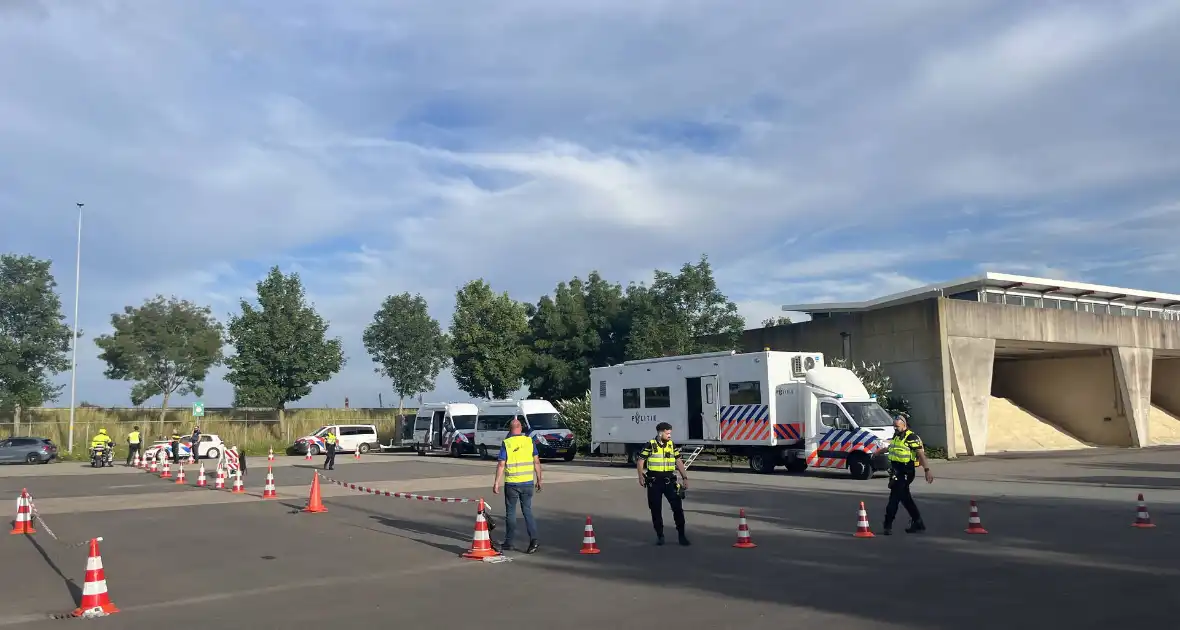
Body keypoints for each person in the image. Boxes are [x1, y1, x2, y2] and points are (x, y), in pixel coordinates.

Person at [492, 418, 542, 554]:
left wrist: (496, 482)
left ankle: (509, 542)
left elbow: (502, 464)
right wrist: (539, 479)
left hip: (512, 484)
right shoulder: (529, 441)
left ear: (510, 429)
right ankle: (534, 539)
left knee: (511, 513)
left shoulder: (507, 443)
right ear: (521, 428)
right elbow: (536, 462)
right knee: (527, 511)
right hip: (527, 483)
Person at [637, 422, 690, 546]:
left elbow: (678, 461)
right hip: (654, 482)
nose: (670, 436)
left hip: (669, 482)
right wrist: (640, 476)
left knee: (677, 508)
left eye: (670, 433)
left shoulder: (671, 445)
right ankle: (660, 535)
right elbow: (640, 460)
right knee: (655, 509)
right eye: (668, 433)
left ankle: (682, 536)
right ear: (660, 433)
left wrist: (685, 477)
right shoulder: (650, 444)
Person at [883, 413, 934, 535]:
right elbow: (891, 448)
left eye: (897, 426)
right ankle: (918, 522)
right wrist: (878, 452)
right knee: (905, 498)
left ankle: (887, 525)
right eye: (894, 427)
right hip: (896, 471)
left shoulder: (911, 437)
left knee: (894, 498)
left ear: (904, 425)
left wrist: (927, 470)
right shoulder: (897, 436)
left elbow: (921, 454)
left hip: (906, 471)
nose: (895, 428)